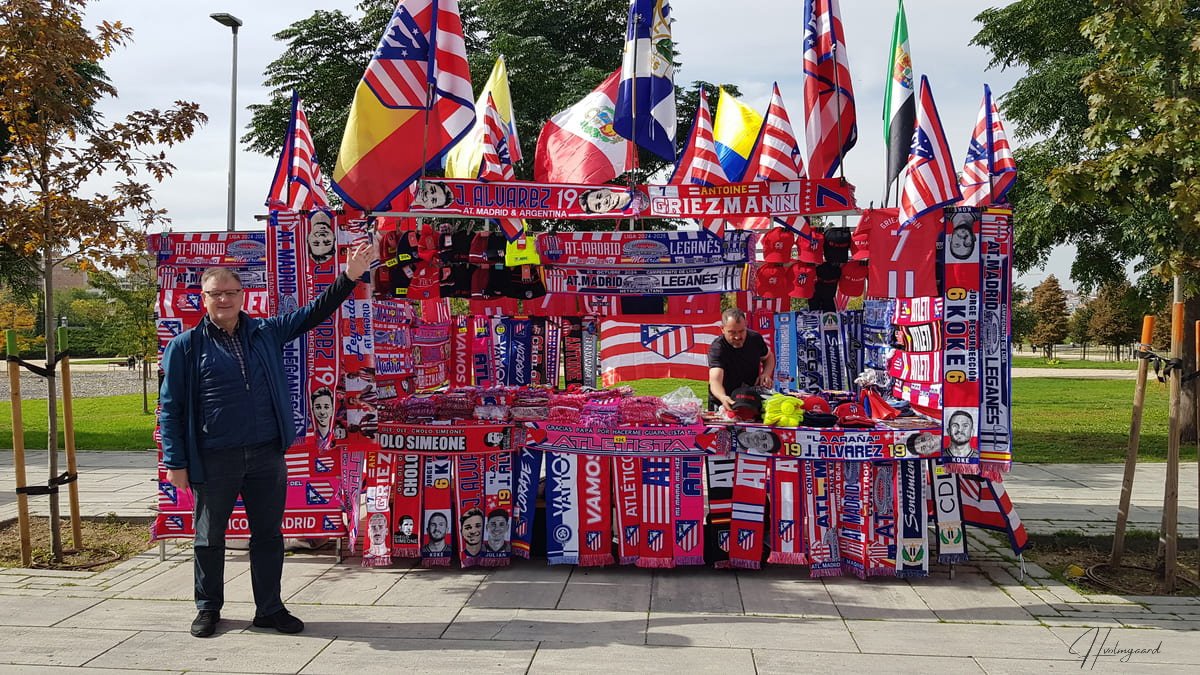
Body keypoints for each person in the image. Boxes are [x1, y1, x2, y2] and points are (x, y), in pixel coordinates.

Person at [159, 242, 373, 639]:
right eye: (215, 294)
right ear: (203, 299)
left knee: (269, 536)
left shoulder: (266, 332)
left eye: (230, 293)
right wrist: (175, 462)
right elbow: (170, 408)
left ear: (243, 297)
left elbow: (314, 313)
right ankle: (208, 608)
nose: (224, 299)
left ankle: (269, 608)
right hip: (214, 458)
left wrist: (348, 277)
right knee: (209, 538)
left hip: (265, 455)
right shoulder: (185, 347)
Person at [707, 308, 775, 411]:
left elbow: (769, 357)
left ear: (746, 325)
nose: (738, 337)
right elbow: (715, 380)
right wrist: (722, 397)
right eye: (732, 332)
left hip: (749, 398)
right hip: (724, 400)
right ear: (722, 329)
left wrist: (766, 373)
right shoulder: (718, 348)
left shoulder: (755, 339)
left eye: (741, 331)